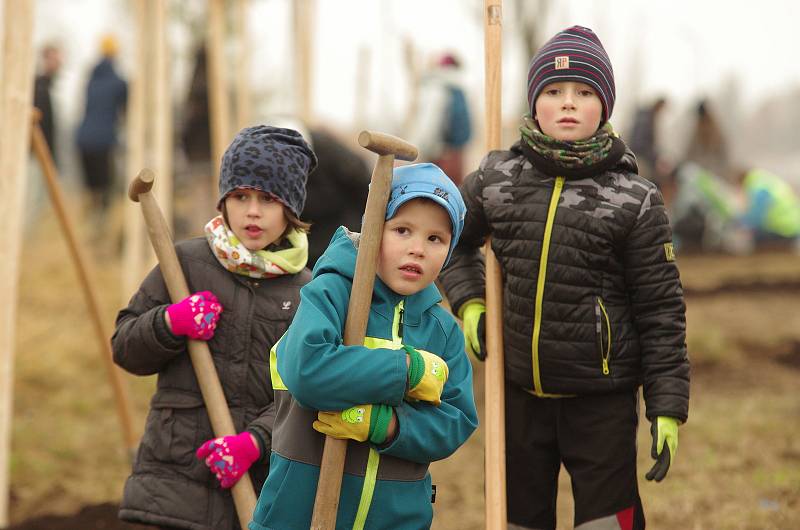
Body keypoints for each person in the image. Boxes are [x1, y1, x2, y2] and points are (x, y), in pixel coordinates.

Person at [439, 26, 690, 529]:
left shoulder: (633, 198)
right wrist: (468, 301)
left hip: (601, 400)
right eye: (553, 92)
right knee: (518, 518)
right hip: (518, 396)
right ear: (535, 105)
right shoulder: (497, 178)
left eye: (584, 92)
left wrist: (666, 405)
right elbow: (449, 240)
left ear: (605, 107)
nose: (568, 103)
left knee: (605, 521)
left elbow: (660, 310)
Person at [249, 163, 478, 530]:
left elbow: (455, 421)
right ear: (375, 229)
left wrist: (386, 426)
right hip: (299, 513)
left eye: (435, 239)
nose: (417, 249)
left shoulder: (442, 331)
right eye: (403, 230)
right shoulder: (333, 292)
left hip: (397, 519)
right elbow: (308, 371)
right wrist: (406, 371)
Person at [112, 126, 317, 530]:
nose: (252, 211)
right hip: (172, 485)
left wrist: (256, 441)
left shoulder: (307, 291)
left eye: (268, 200)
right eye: (241, 197)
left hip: (255, 491)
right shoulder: (185, 265)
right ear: (224, 200)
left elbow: (306, 392)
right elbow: (125, 348)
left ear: (290, 209)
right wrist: (169, 322)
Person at [76, 34, 128, 219]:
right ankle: (103, 223)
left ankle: (93, 221)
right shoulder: (118, 83)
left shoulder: (91, 79)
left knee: (92, 188)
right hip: (103, 141)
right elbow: (126, 110)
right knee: (106, 186)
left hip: (83, 139)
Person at [406, 53, 473, 185]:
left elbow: (430, 124)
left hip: (440, 155)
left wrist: (420, 151)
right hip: (457, 154)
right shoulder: (459, 90)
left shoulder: (437, 89)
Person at [734, 167, 800, 249]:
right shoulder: (766, 181)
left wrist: (738, 222)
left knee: (747, 238)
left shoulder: (758, 187)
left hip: (782, 231)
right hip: (793, 229)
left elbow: (756, 217)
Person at [627, 96, 669, 185]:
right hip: (638, 157)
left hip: (641, 156)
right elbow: (639, 143)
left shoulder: (648, 117)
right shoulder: (646, 119)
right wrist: (654, 158)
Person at [33, 43, 62, 162]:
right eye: (53, 59)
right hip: (36, 153)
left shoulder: (52, 88)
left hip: (47, 153)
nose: (58, 64)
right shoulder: (38, 87)